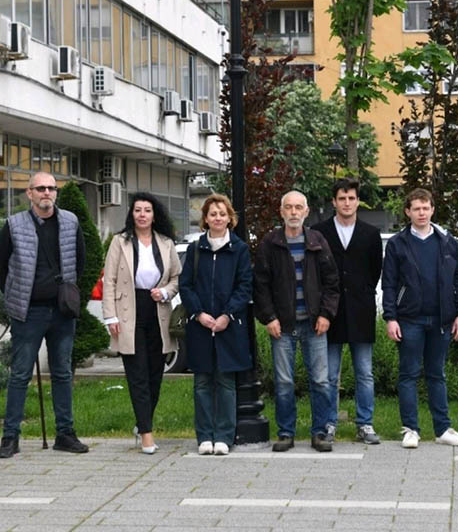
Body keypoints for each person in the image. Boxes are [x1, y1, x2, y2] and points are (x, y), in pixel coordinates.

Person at [0, 173, 89, 458]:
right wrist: (16, 294)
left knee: (62, 373)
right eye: (41, 188)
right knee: (20, 375)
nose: (47, 193)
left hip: (62, 311)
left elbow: (81, 260)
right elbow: (1, 266)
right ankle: (10, 437)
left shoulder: (71, 221)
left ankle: (65, 434)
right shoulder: (13, 225)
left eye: (52, 188)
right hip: (28, 312)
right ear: (29, 193)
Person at [382, 188, 458, 449]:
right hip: (409, 320)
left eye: (426, 207)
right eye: (416, 208)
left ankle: (442, 429)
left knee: (437, 374)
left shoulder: (448, 243)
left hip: (442, 319)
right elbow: (388, 284)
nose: (421, 212)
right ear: (408, 212)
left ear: (432, 210)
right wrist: (391, 317)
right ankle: (411, 429)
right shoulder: (398, 244)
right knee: (408, 374)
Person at [254, 190, 339, 453]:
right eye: (288, 207)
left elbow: (332, 282)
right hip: (283, 325)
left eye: (298, 207)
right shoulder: (270, 243)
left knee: (321, 381)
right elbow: (260, 285)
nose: (293, 212)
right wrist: (269, 317)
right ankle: (286, 433)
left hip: (315, 324)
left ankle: (320, 433)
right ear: (281, 212)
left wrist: (326, 314)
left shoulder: (317, 240)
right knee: (284, 383)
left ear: (306, 211)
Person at [102, 192, 181, 454]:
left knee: (155, 375)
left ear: (154, 214)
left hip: (157, 310)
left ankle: (141, 421)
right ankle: (147, 433)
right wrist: (110, 316)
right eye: (138, 210)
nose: (142, 215)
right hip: (128, 311)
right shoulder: (120, 242)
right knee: (137, 374)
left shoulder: (166, 243)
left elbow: (177, 278)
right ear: (132, 214)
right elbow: (109, 280)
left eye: (147, 210)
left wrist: (167, 292)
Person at [179, 194, 253, 456]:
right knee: (201, 382)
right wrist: (198, 313)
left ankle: (223, 436)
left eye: (222, 214)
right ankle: (204, 436)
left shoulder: (240, 249)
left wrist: (226, 315)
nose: (218, 218)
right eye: (213, 214)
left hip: (228, 326)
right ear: (206, 219)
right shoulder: (195, 249)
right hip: (200, 325)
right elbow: (185, 285)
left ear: (230, 218)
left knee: (225, 382)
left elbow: (244, 287)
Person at [314, 178, 383, 445]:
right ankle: (329, 423)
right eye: (342, 198)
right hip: (329, 312)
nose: (347, 203)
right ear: (334, 202)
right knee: (329, 374)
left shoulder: (370, 233)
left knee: (364, 372)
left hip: (360, 310)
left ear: (357, 201)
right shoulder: (319, 232)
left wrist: (363, 292)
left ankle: (365, 424)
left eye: (351, 198)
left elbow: (374, 270)